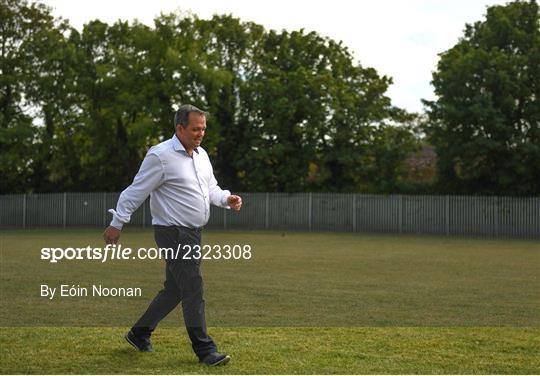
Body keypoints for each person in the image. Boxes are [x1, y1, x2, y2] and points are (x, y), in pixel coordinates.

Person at [103, 104, 242, 366]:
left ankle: (139, 333)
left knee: (176, 289)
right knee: (192, 286)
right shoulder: (160, 156)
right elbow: (135, 192)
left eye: (203, 128)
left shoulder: (201, 155)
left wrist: (226, 198)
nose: (200, 133)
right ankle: (205, 350)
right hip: (172, 233)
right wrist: (117, 222)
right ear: (179, 128)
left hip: (193, 233)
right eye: (195, 129)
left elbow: (211, 188)